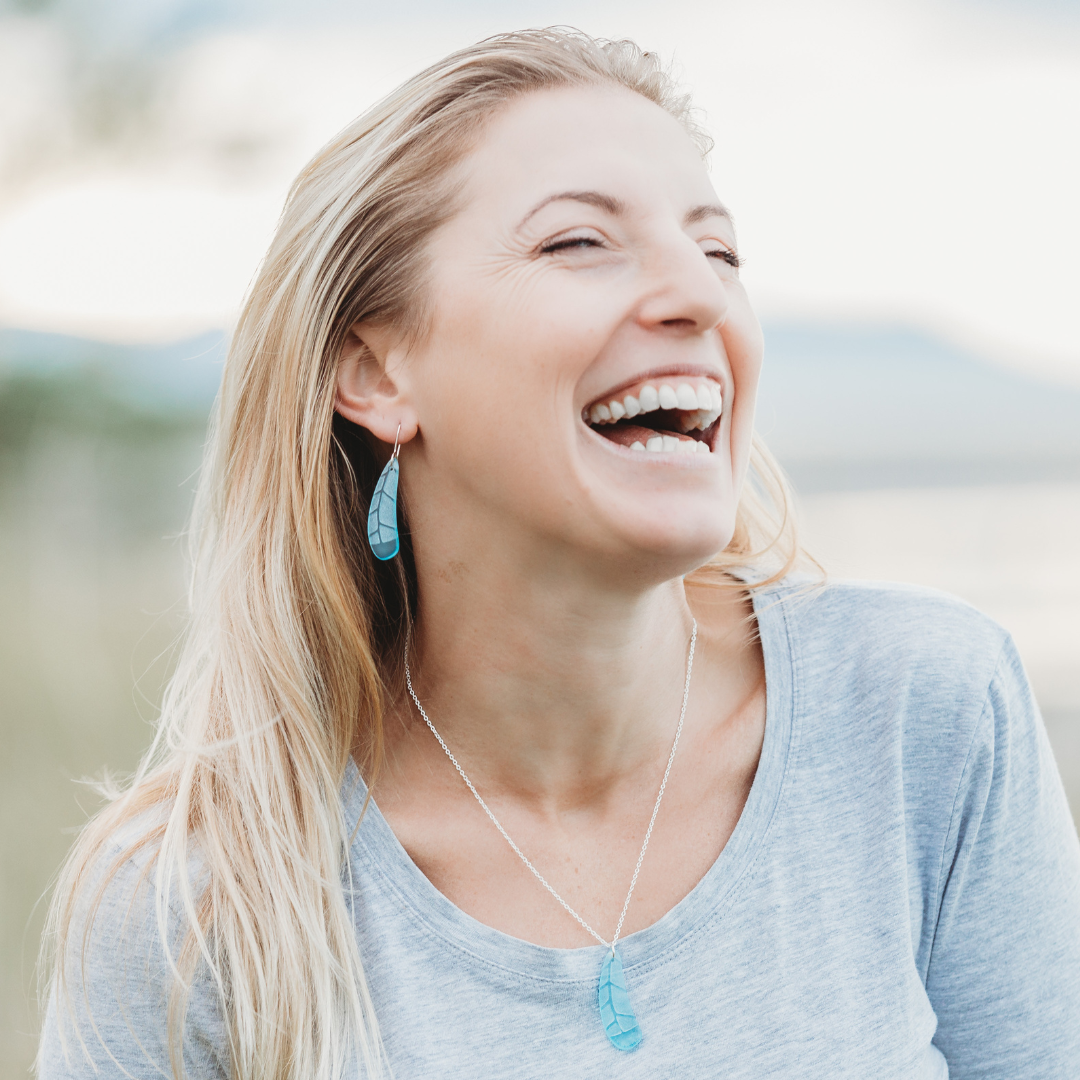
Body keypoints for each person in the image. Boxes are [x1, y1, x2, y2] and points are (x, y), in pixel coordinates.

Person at [37, 28, 1080, 1080]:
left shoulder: (924, 714)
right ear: (375, 374)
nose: (700, 297)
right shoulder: (193, 908)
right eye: (579, 242)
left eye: (719, 253)